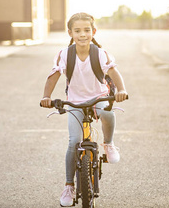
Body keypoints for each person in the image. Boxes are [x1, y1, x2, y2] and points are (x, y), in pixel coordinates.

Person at [40, 12, 128, 207]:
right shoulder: (65, 54)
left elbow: (113, 72)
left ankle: (109, 143)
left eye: (87, 30)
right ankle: (69, 185)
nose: (82, 34)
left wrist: (121, 90)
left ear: (93, 31)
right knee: (73, 141)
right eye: (77, 31)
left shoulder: (100, 53)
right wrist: (46, 96)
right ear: (70, 33)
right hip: (75, 101)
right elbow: (53, 76)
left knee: (107, 112)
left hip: (98, 97)